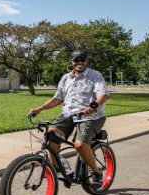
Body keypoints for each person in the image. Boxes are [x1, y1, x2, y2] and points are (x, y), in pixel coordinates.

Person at [30, 50, 109, 187]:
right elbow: (58, 98)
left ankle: (96, 173)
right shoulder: (66, 78)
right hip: (68, 115)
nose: (79, 62)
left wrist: (93, 106)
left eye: (82, 60)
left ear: (86, 61)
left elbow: (103, 94)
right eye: (76, 60)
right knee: (51, 136)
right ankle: (57, 168)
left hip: (91, 116)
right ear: (71, 62)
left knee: (80, 144)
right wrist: (40, 109)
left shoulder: (95, 75)